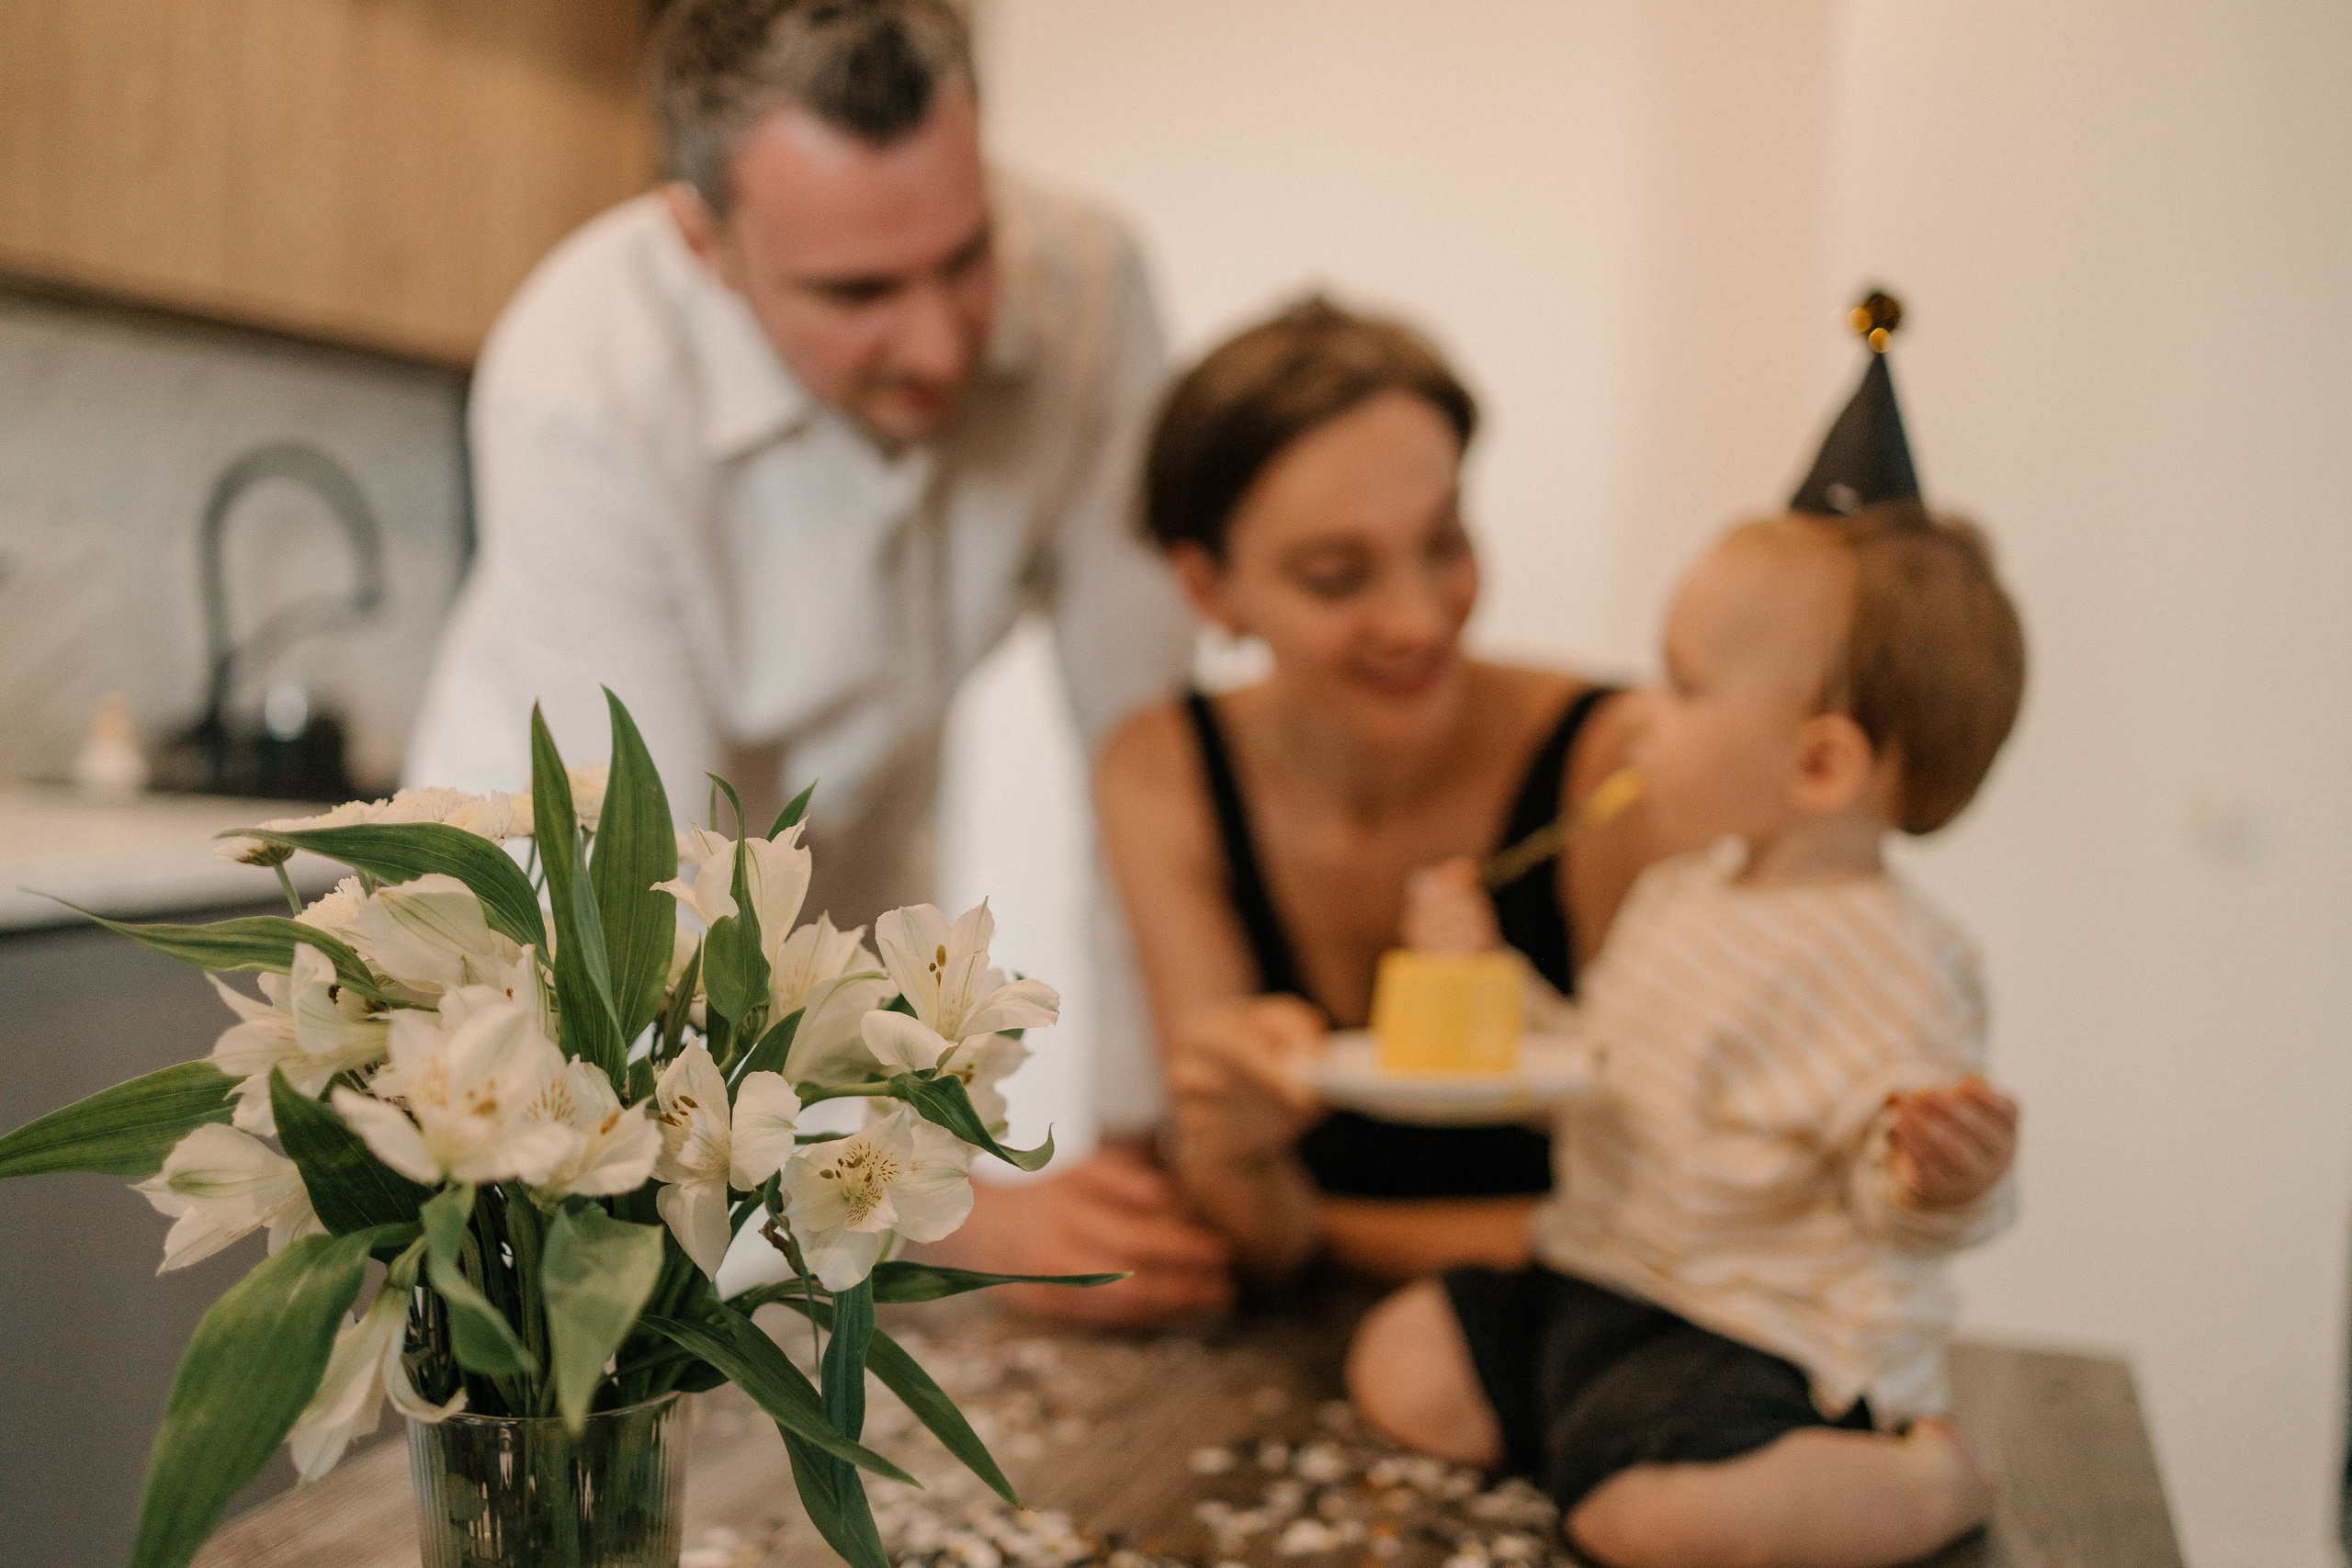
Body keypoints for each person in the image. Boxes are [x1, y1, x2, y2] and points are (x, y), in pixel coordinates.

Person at [403, 0, 1229, 1325]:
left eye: (965, 258)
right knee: (574, 1372)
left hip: (837, 887)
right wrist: (947, 1201)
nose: (941, 343)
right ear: (703, 239)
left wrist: (1145, 1143)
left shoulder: (1092, 284)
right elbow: (642, 909)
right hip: (556, 938)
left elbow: (1143, 752)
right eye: (856, 293)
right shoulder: (583, 375)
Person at [1346, 501, 2028, 1567]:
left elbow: (1892, 1184)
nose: (1639, 714)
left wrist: (1936, 1175)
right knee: (1401, 1360)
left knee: (1642, 1526)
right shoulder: (1680, 893)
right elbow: (1599, 1065)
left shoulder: (1888, 959)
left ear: (1818, 766)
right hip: (1600, 1279)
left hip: (1753, 1338)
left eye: (1683, 686)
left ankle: (1922, 1483)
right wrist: (1477, 975)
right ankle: (1604, 1443)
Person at [1093, 299, 1663, 1286]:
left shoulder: (1615, 768)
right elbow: (1243, 1227)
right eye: (1335, 576)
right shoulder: (1162, 770)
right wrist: (1237, 1159)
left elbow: (1682, 1226)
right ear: (1206, 589)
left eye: (1443, 544)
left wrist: (1311, 1227)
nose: (1416, 621)